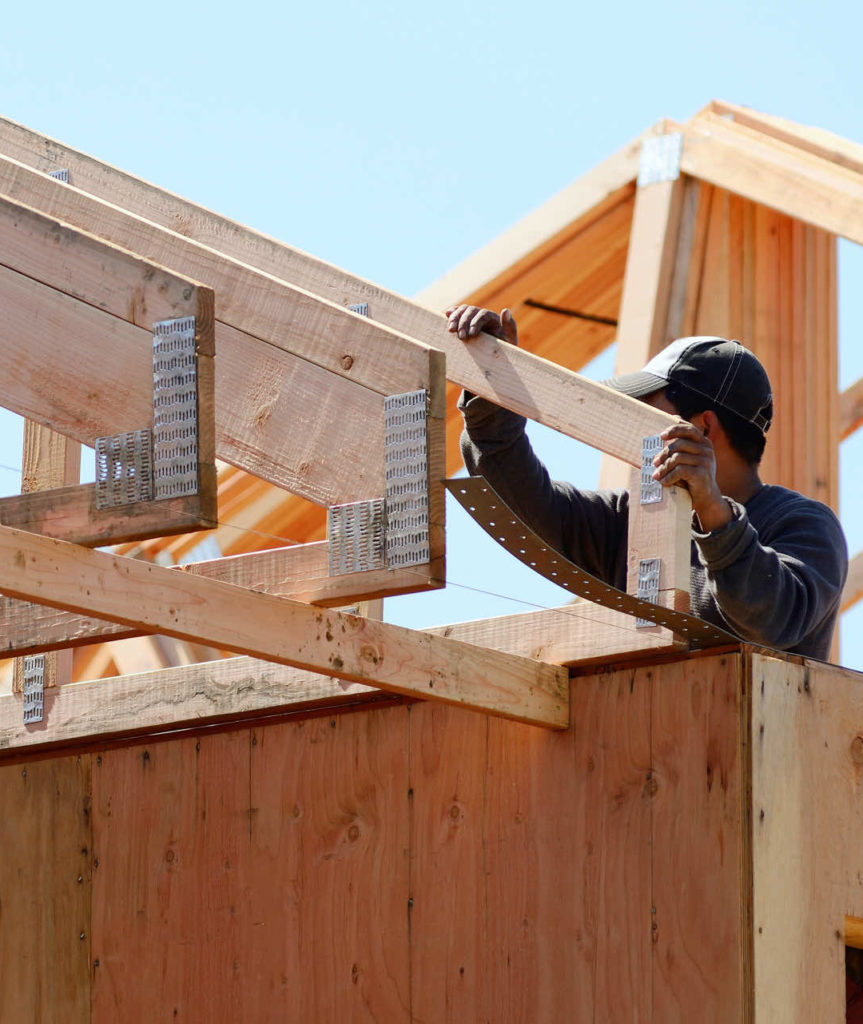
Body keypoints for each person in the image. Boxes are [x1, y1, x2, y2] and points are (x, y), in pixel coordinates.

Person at [448, 304, 849, 661]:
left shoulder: (805, 525)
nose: (633, 432)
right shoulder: (633, 521)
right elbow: (526, 504)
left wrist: (712, 511)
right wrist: (491, 387)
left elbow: (771, 619)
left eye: (645, 412)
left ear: (702, 428)